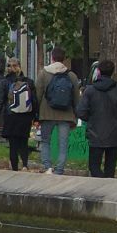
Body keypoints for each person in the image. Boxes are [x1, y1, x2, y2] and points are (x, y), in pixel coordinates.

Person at [36, 47, 80, 175]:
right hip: (66, 114)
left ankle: (47, 167)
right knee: (63, 143)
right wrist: (75, 115)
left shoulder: (43, 73)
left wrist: (37, 113)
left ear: (52, 57)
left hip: (46, 113)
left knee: (45, 141)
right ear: (64, 59)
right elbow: (76, 97)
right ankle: (60, 169)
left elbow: (38, 94)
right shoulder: (71, 75)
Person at [76, 59, 117, 178]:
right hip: (114, 133)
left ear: (98, 71)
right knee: (110, 167)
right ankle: (108, 186)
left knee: (94, 166)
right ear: (112, 72)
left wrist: (90, 119)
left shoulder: (90, 90)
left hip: (95, 132)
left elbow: (81, 111)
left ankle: (99, 184)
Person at [0, 58, 37, 171]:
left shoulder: (5, 82)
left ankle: (14, 168)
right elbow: (34, 100)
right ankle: (24, 164)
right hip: (25, 117)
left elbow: (0, 100)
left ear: (8, 68)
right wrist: (34, 116)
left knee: (13, 145)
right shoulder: (29, 81)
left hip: (11, 116)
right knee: (24, 141)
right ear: (20, 67)